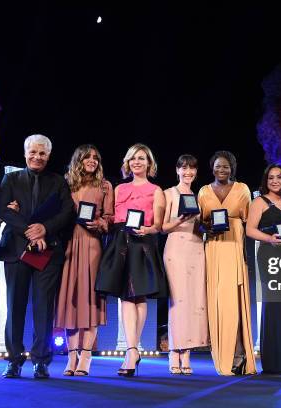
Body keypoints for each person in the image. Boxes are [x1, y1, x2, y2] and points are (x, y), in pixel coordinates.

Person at [0, 134, 75, 379]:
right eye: (33, 152)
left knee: (44, 308)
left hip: (48, 250)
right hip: (17, 249)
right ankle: (14, 360)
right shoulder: (10, 178)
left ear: (48, 156)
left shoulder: (58, 182)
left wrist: (46, 228)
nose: (37, 157)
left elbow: (67, 213)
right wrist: (31, 232)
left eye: (42, 153)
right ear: (25, 153)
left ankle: (41, 360)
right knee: (15, 305)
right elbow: (2, 210)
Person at [96, 143, 167, 377]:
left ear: (149, 163)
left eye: (142, 158)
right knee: (125, 296)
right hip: (120, 241)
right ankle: (132, 350)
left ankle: (132, 350)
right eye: (133, 158)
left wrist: (148, 230)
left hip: (143, 244)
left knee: (139, 295)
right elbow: (113, 217)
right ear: (128, 163)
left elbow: (158, 225)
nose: (137, 162)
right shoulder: (119, 188)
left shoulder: (156, 190)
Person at [55, 145, 114, 376]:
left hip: (92, 245)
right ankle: (71, 358)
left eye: (96, 158)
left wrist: (100, 224)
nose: (92, 161)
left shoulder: (105, 186)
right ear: (78, 160)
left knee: (90, 300)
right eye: (87, 157)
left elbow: (110, 218)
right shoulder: (66, 184)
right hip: (69, 244)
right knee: (70, 300)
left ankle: (86, 357)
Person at [197, 150, 257, 376]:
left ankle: (240, 355)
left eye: (226, 166)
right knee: (219, 303)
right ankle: (225, 357)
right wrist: (207, 228)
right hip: (213, 249)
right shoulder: (203, 191)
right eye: (217, 166)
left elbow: (249, 221)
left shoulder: (242, 189)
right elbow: (200, 222)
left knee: (235, 302)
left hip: (234, 247)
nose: (221, 170)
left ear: (232, 168)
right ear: (212, 167)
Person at [246, 164, 281, 375]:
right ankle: (273, 361)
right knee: (274, 303)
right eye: (271, 178)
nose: (275, 181)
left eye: (279, 177)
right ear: (266, 181)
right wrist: (269, 238)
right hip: (270, 256)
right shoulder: (259, 201)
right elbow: (249, 229)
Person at [161, 154, 209, 375]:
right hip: (176, 248)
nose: (188, 172)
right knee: (177, 301)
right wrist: (179, 219)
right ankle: (174, 352)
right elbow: (162, 226)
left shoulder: (200, 197)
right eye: (184, 168)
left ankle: (187, 353)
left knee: (194, 301)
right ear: (177, 170)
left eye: (192, 169)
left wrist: (209, 226)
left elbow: (201, 225)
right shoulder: (169, 193)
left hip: (197, 248)